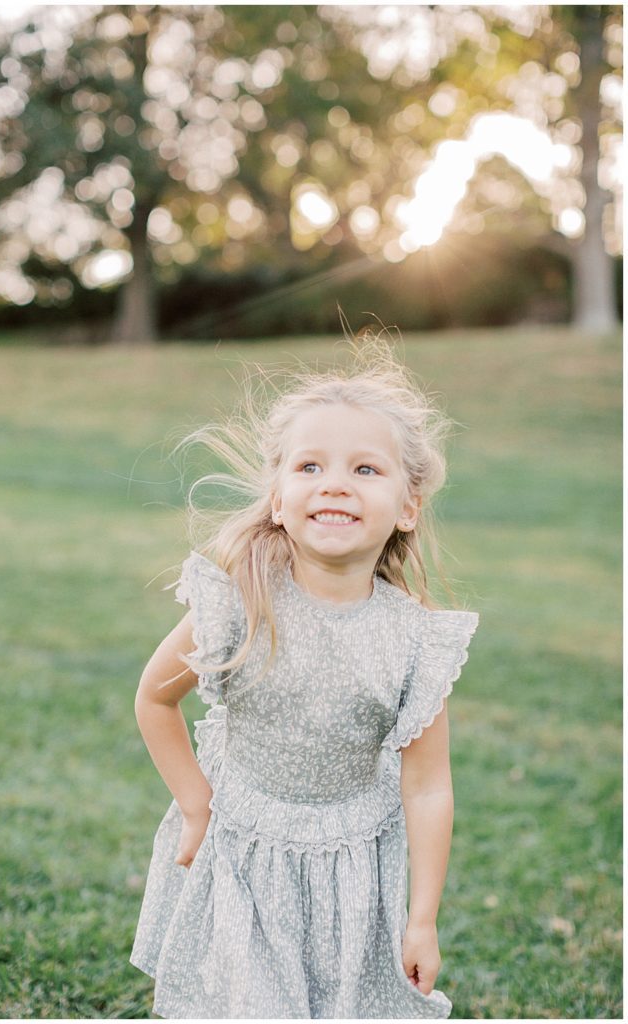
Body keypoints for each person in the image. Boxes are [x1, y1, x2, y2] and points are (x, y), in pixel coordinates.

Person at [129, 338, 479, 1019]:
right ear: (280, 498)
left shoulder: (413, 639)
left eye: (366, 468)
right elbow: (153, 698)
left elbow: (428, 782)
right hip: (241, 845)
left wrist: (422, 918)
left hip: (352, 866)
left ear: (408, 507)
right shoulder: (240, 600)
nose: (336, 482)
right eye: (310, 465)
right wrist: (198, 806)